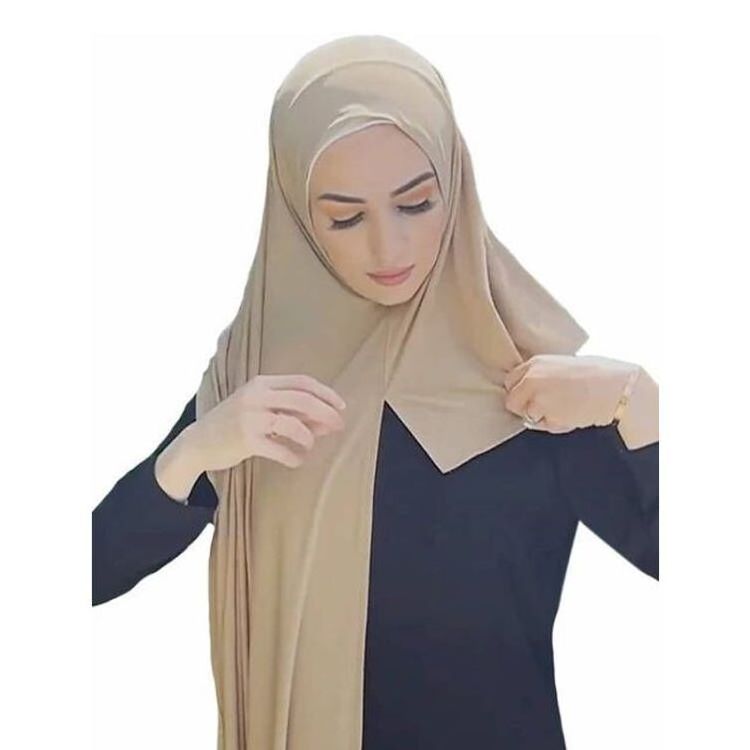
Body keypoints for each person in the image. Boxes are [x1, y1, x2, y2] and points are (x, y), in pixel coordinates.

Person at [92, 35, 659, 750]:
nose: (389, 250)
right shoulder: (258, 386)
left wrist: (640, 403)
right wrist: (194, 452)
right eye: (346, 218)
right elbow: (90, 569)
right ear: (296, 217)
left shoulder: (536, 384)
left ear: (456, 186)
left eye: (416, 204)